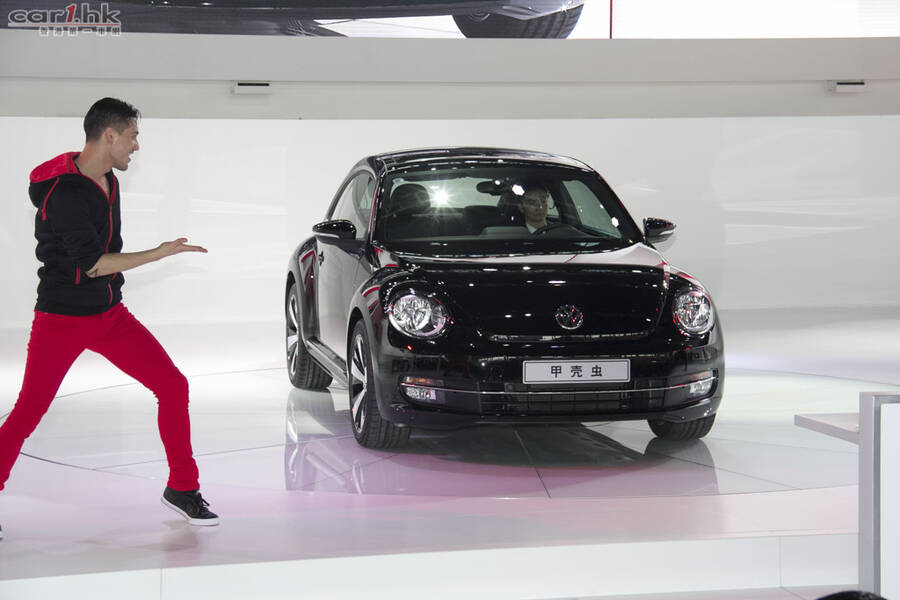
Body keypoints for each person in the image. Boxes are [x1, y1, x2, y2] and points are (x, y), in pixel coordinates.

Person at [0, 98, 218, 540]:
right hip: (61, 319)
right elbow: (94, 264)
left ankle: (183, 487)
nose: (136, 146)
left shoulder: (108, 179)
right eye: (133, 136)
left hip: (109, 315)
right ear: (110, 135)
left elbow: (103, 260)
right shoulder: (65, 194)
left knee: (173, 386)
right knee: (29, 410)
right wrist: (160, 252)